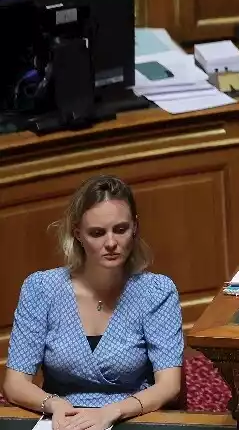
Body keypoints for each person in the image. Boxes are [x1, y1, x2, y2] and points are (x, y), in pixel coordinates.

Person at [4, 175, 184, 430]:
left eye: (120, 229)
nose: (111, 243)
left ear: (135, 227)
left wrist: (110, 412)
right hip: (63, 419)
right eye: (97, 233)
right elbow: (15, 383)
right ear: (78, 233)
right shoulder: (41, 289)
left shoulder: (156, 291)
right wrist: (54, 405)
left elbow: (169, 385)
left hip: (132, 416)